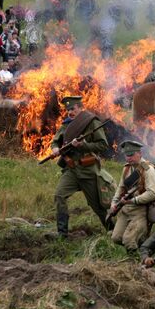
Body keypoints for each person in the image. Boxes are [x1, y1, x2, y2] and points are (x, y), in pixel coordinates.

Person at [51, 96, 109, 238]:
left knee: (98, 207)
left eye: (73, 108)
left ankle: (113, 232)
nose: (70, 112)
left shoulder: (91, 122)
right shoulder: (66, 125)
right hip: (71, 170)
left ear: (80, 107)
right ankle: (62, 234)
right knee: (59, 195)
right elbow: (55, 142)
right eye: (68, 109)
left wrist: (83, 145)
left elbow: (103, 145)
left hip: (88, 171)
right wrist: (54, 149)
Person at [109, 140, 155, 251]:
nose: (129, 158)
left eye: (131, 155)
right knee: (116, 238)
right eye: (127, 155)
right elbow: (120, 188)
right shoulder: (127, 168)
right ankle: (141, 244)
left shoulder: (148, 170)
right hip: (125, 209)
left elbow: (152, 193)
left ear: (139, 153)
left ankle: (135, 261)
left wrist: (133, 201)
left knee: (128, 240)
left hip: (140, 210)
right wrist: (114, 203)